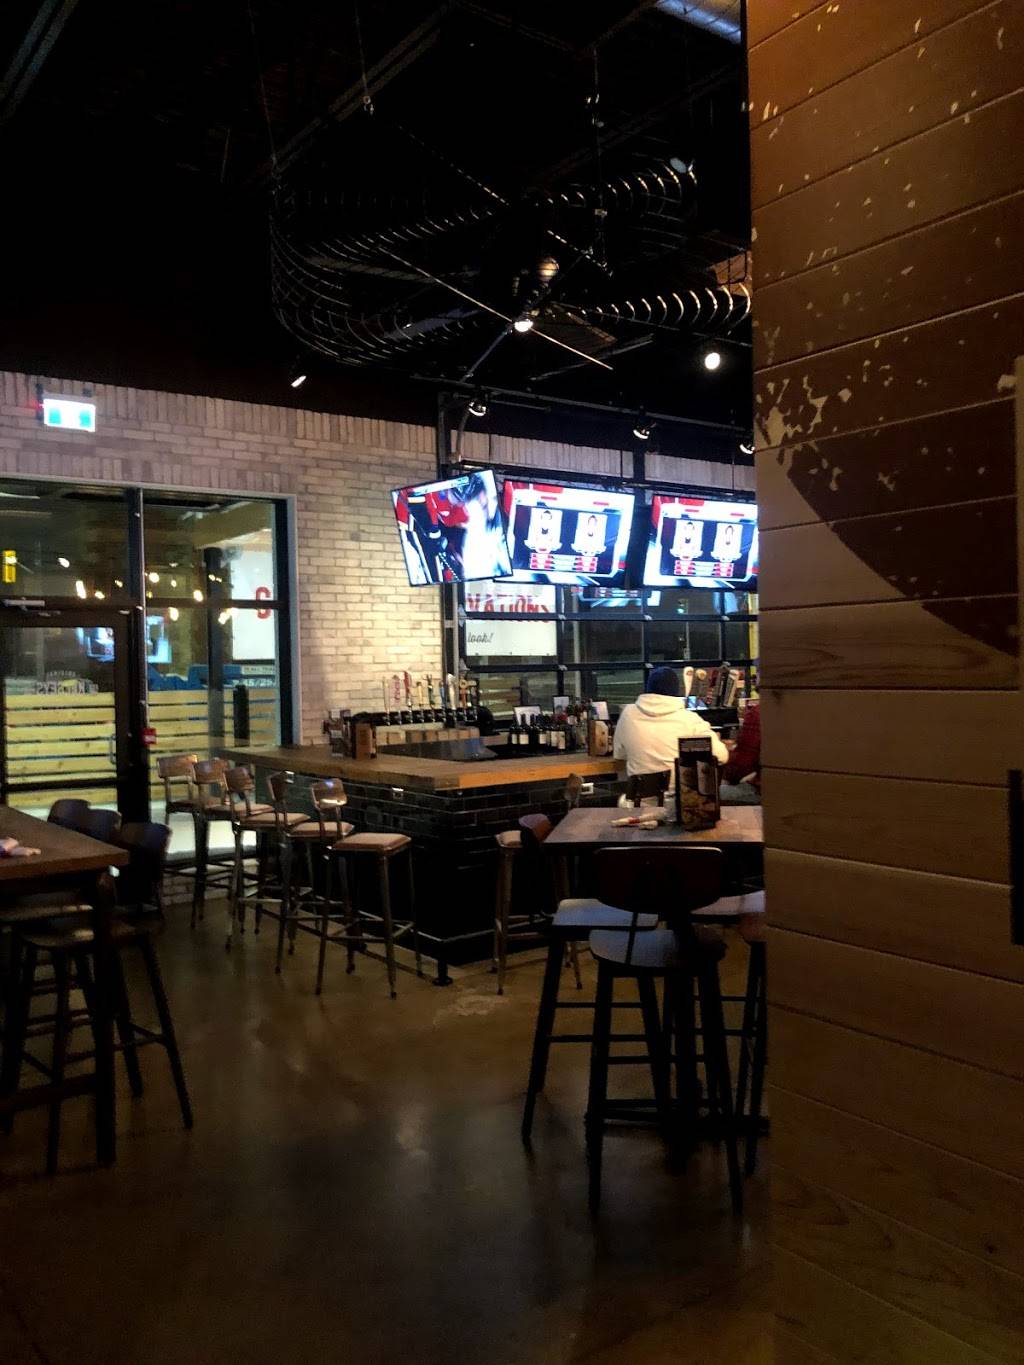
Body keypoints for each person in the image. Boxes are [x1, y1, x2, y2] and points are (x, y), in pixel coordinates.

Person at [613, 666, 728, 793]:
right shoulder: (689, 719)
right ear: (676, 692)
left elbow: (620, 754)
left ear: (647, 689)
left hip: (640, 801)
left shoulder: (628, 714)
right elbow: (722, 755)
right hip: (680, 800)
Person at [720, 701, 761, 805]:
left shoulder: (760, 712)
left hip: (761, 791)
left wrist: (727, 775)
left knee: (709, 795)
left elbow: (743, 763)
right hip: (795, 790)